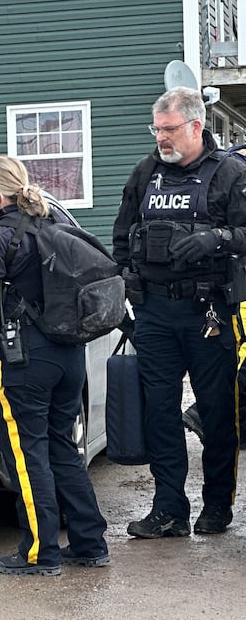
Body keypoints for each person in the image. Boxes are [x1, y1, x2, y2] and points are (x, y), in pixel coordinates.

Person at [0, 156, 109, 576]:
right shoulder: (53, 228)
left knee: (28, 458)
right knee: (62, 449)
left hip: (25, 364)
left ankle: (39, 553)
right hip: (68, 358)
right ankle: (89, 544)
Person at [111, 86, 246, 538]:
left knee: (215, 410)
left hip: (208, 311)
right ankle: (169, 509)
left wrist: (218, 238)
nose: (161, 138)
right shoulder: (145, 172)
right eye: (156, 129)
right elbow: (121, 235)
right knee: (160, 412)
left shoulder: (229, 173)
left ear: (195, 125)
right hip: (155, 313)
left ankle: (217, 506)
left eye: (168, 130)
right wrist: (128, 284)